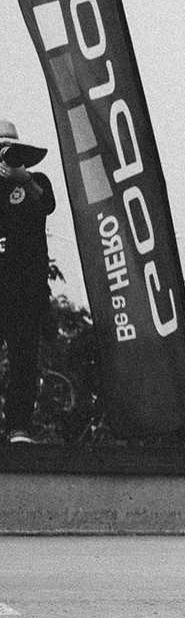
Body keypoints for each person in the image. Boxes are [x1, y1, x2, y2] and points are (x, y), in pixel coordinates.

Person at [0, 120, 57, 446]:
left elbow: (46, 205)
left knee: (23, 361)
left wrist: (23, 179)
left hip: (26, 289)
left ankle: (19, 426)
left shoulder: (37, 182)